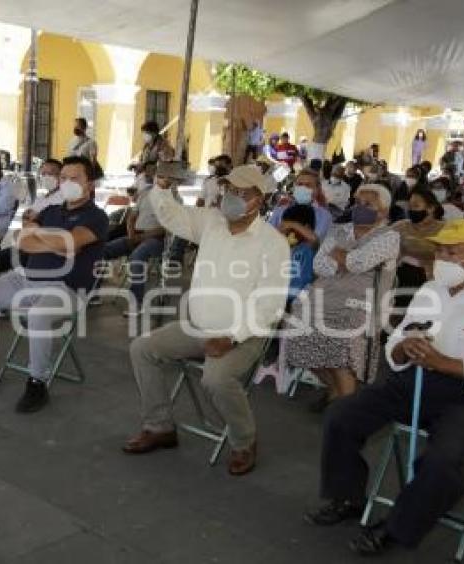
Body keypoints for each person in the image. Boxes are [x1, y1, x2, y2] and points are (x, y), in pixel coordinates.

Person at [306, 219, 464, 557]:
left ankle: (396, 527)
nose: (443, 258)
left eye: (453, 252)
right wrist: (403, 348)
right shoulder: (430, 290)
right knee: (341, 414)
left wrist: (441, 362)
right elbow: (396, 344)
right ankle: (348, 497)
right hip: (416, 381)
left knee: (442, 459)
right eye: (440, 250)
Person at [121, 162, 290, 476]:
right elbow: (171, 216)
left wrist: (232, 338)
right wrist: (160, 186)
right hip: (198, 327)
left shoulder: (272, 243)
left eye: (243, 192)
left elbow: (269, 305)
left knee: (215, 378)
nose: (233, 196)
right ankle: (159, 427)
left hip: (243, 335)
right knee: (142, 348)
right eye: (230, 190)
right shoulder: (211, 221)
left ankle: (244, 442)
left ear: (260, 200)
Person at [0, 156, 109, 413]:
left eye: (75, 178)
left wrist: (45, 237)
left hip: (65, 288)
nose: (67, 183)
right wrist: (53, 242)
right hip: (24, 278)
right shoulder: (51, 210)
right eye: (64, 178)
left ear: (90, 184)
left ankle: (37, 383)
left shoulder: (96, 217)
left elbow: (68, 243)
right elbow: (22, 240)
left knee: (38, 316)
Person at [284, 184, 400, 411]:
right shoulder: (341, 229)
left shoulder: (390, 236)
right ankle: (336, 391)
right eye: (358, 203)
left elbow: (357, 263)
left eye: (368, 205)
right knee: (296, 329)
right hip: (326, 294)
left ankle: (345, 407)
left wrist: (341, 257)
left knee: (341, 338)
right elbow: (320, 265)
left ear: (384, 211)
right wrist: (345, 261)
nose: (360, 208)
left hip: (364, 302)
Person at [103, 161, 179, 314]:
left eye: (168, 177)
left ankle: (136, 303)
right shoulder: (145, 194)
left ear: (173, 180)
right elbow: (132, 217)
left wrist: (141, 237)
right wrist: (131, 234)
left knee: (137, 258)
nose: (164, 180)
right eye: (161, 176)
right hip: (135, 235)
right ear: (156, 177)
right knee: (101, 251)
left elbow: (166, 228)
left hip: (156, 240)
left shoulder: (175, 200)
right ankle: (90, 294)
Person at [392, 189, 445, 311]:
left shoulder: (444, 229)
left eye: (416, 206)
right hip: (399, 277)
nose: (411, 210)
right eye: (409, 206)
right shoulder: (401, 226)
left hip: (429, 279)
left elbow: (444, 255)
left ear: (431, 208)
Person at [269, 169, 333, 244]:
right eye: (299, 184)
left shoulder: (324, 216)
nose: (303, 188)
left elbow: (316, 243)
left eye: (308, 185)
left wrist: (292, 226)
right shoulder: (281, 209)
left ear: (317, 190)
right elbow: (268, 234)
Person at [279, 203, 316, 300]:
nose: (285, 233)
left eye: (288, 229)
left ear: (306, 228)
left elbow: (312, 239)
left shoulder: (307, 249)